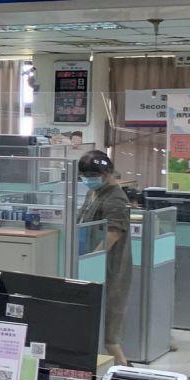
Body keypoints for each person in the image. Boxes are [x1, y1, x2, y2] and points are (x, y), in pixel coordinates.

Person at [78, 150, 132, 365]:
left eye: (93, 175)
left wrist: (94, 259)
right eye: (85, 176)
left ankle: (123, 372)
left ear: (107, 173)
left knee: (110, 333)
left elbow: (113, 233)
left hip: (109, 267)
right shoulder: (94, 193)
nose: (88, 179)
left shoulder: (115, 197)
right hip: (88, 263)